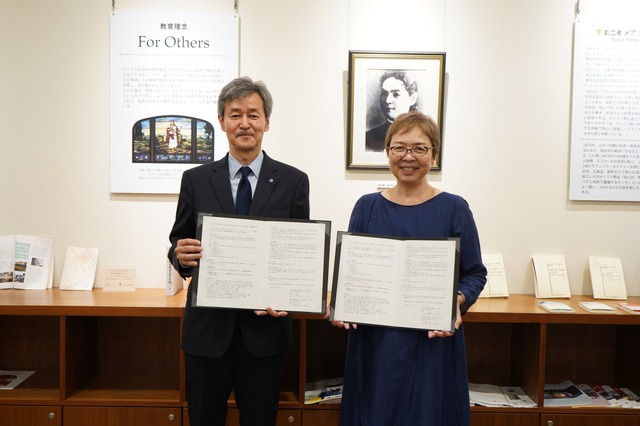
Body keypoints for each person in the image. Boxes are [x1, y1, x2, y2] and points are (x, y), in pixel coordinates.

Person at [168, 76, 310, 426]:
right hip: (208, 333)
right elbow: (178, 243)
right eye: (235, 115)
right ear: (222, 122)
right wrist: (180, 256)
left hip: (264, 335)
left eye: (253, 114)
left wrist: (289, 293)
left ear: (266, 122)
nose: (244, 123)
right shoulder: (196, 179)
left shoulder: (293, 181)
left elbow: (297, 255)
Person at [333, 111, 487, 425]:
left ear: (434, 155)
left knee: (429, 414)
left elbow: (475, 273)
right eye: (399, 148)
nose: (408, 157)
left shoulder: (454, 208)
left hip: (431, 343)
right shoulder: (367, 207)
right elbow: (352, 271)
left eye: (419, 148)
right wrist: (341, 302)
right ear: (387, 152)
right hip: (376, 344)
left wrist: (456, 299)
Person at [365, 71, 419, 152]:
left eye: (396, 94)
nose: (387, 100)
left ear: (412, 98)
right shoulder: (368, 138)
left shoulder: (421, 135)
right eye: (384, 93)